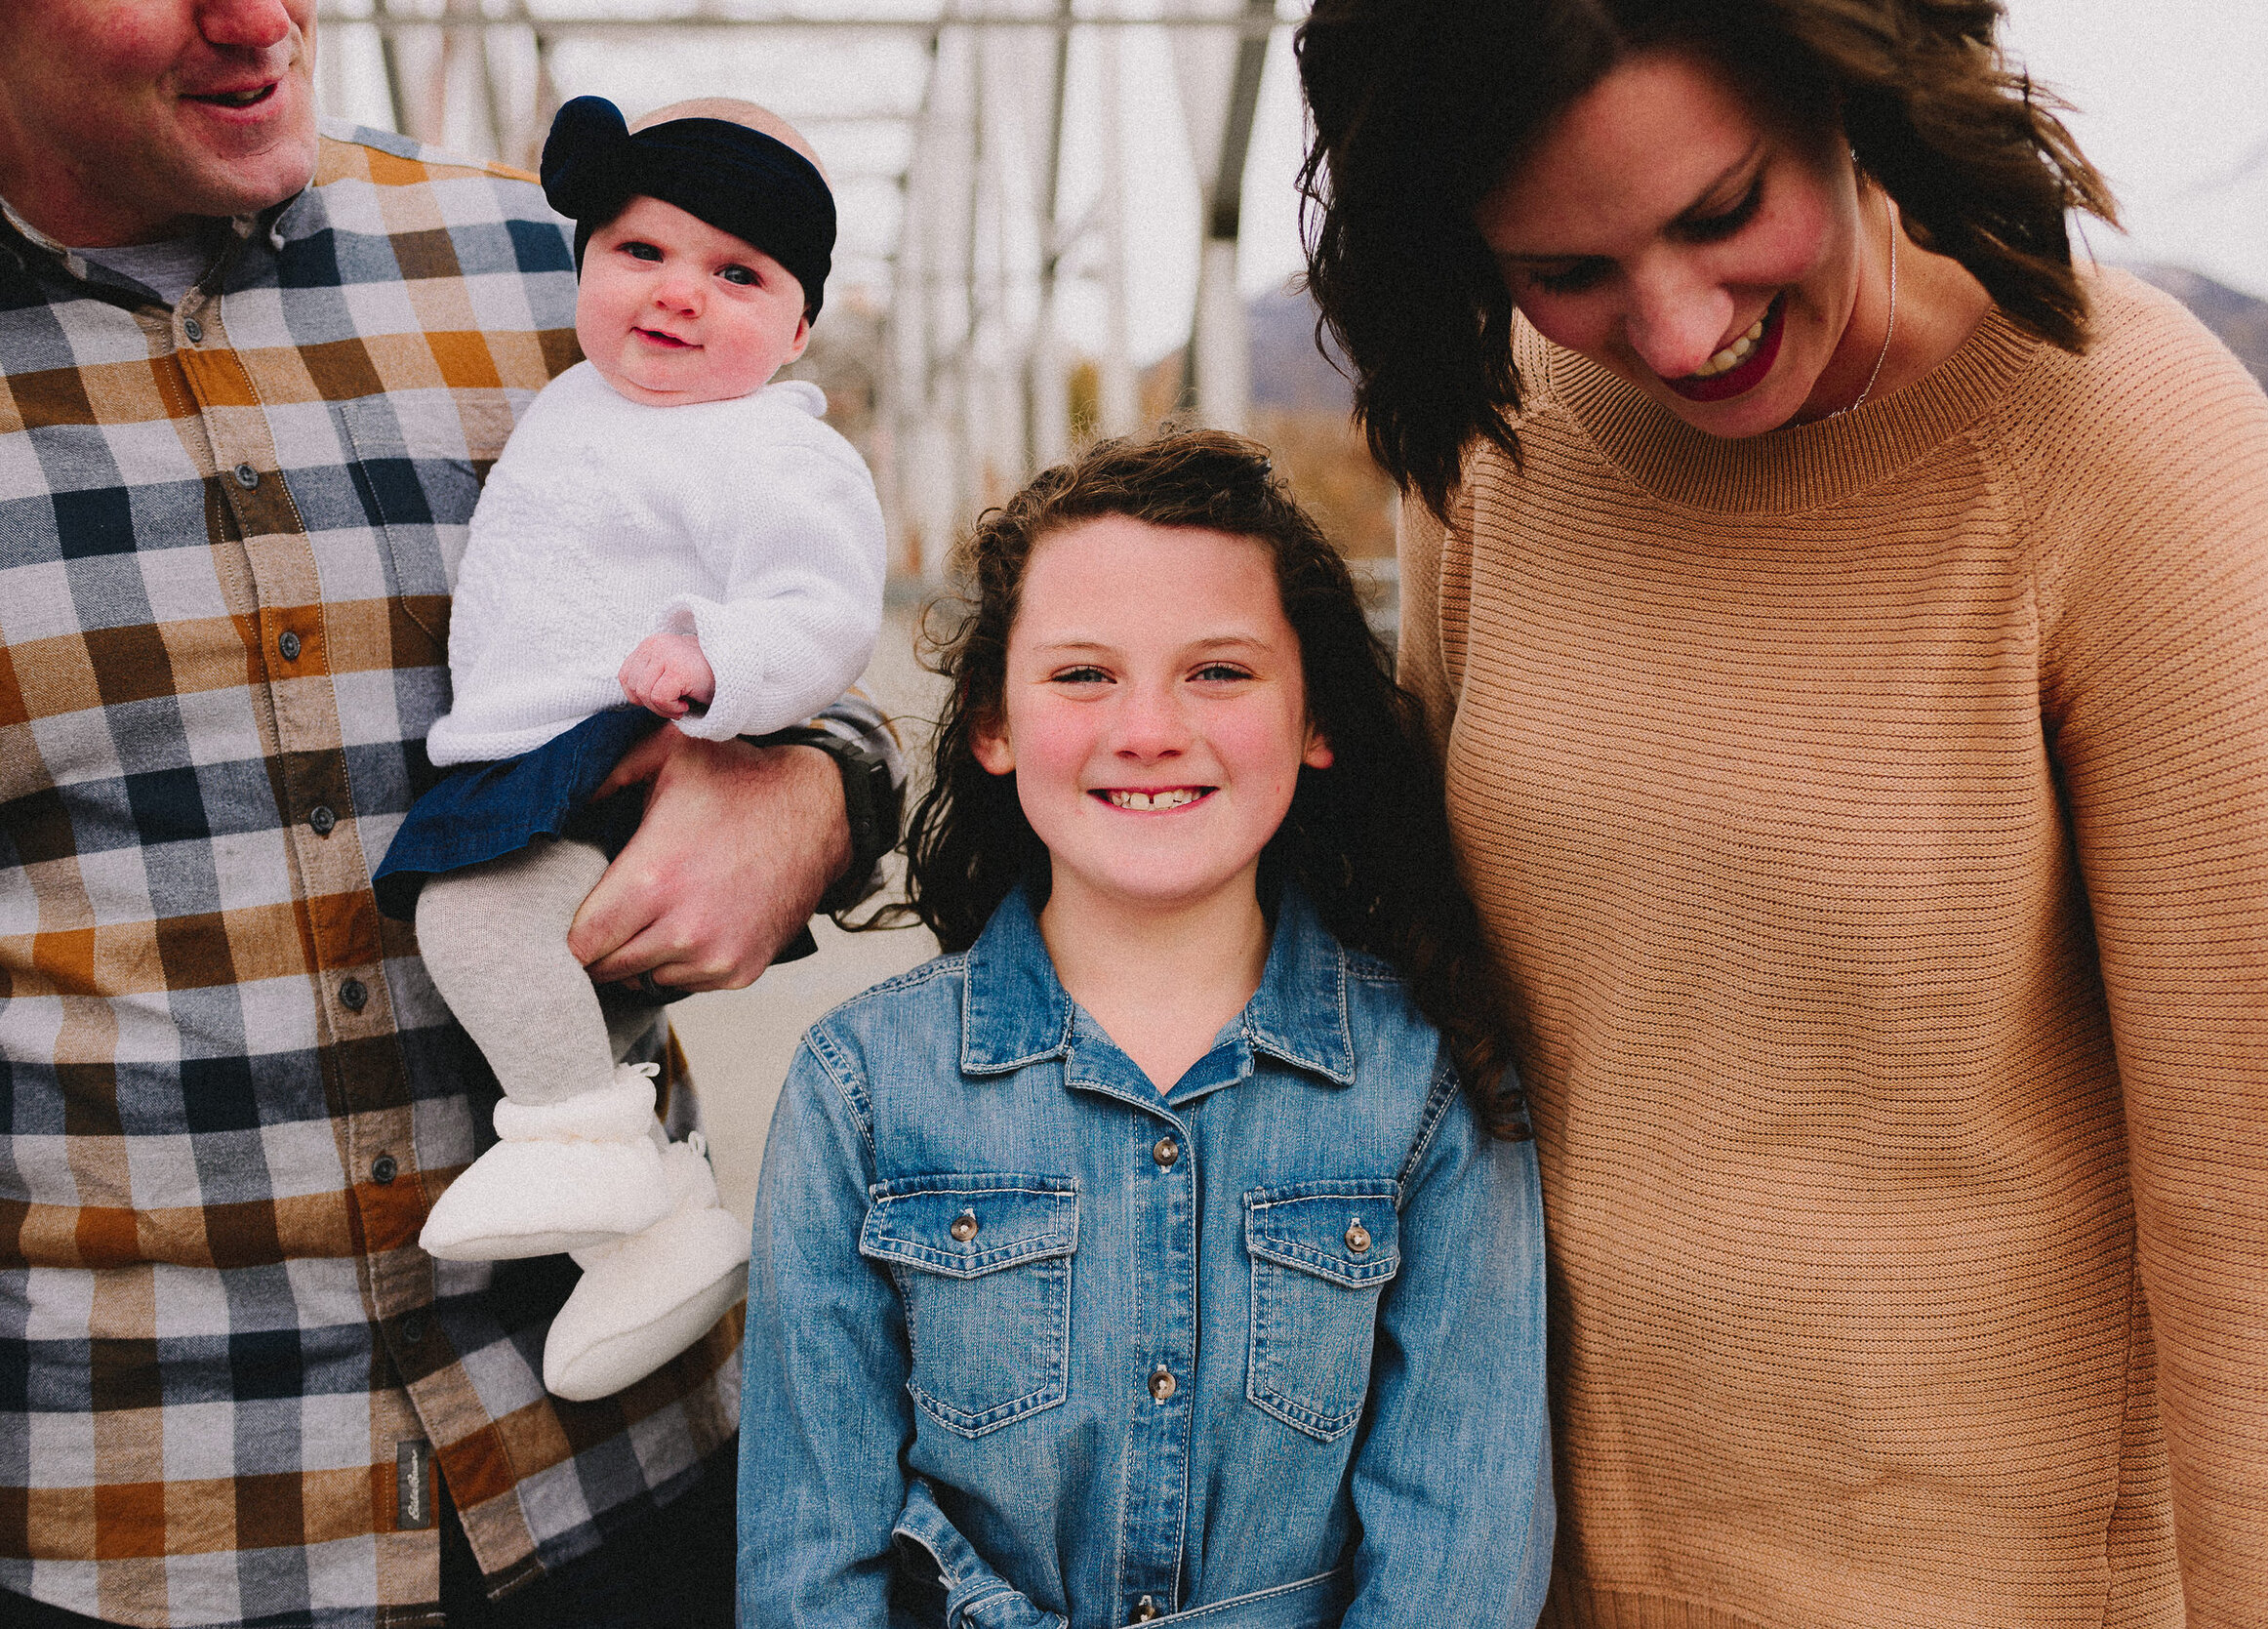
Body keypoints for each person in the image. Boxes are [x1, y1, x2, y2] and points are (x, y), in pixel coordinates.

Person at [1294, 1, 2268, 1624]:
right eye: (1569, 270)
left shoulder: (2122, 438)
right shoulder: (1497, 429)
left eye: (1723, 210)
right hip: (1526, 1566)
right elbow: (1405, 968)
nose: (1677, 331)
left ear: (1853, 81)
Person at [0, 3, 899, 1624]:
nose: (259, 18)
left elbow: (806, 597)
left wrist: (820, 787)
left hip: (625, 1456)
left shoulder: (558, 258)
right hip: (149, 1506)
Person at [736, 432, 1552, 1627]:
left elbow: (1457, 1553)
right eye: (1082, 676)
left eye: (1217, 671)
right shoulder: (859, 1088)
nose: (1150, 728)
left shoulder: (1431, 1081)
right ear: (991, 725)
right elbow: (811, 1561)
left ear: (1314, 716)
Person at [370, 94, 886, 1405]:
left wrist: (717, 661)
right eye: (638, 252)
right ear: (586, 258)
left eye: (737, 274)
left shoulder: (772, 445)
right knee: (578, 979)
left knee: (476, 927)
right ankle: (654, 1236)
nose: (676, 295)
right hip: (524, 732)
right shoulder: (577, 396)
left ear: (797, 326)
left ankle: (581, 1140)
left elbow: (823, 604)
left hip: (608, 738)